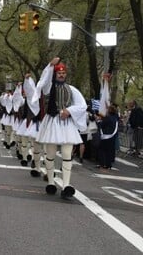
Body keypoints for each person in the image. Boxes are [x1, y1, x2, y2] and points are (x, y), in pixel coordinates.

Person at [33, 57, 87, 199]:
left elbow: (82, 105)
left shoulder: (72, 89)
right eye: (59, 73)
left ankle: (66, 185)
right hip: (52, 122)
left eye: (63, 73)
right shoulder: (48, 87)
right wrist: (50, 65)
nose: (61, 75)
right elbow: (42, 82)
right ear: (55, 74)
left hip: (66, 124)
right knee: (50, 154)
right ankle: (51, 182)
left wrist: (69, 111)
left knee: (67, 154)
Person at [96, 105, 119, 169]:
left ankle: (102, 164)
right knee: (109, 151)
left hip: (106, 136)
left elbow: (102, 126)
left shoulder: (107, 118)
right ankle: (108, 164)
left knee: (102, 150)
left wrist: (99, 122)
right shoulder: (115, 119)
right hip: (112, 136)